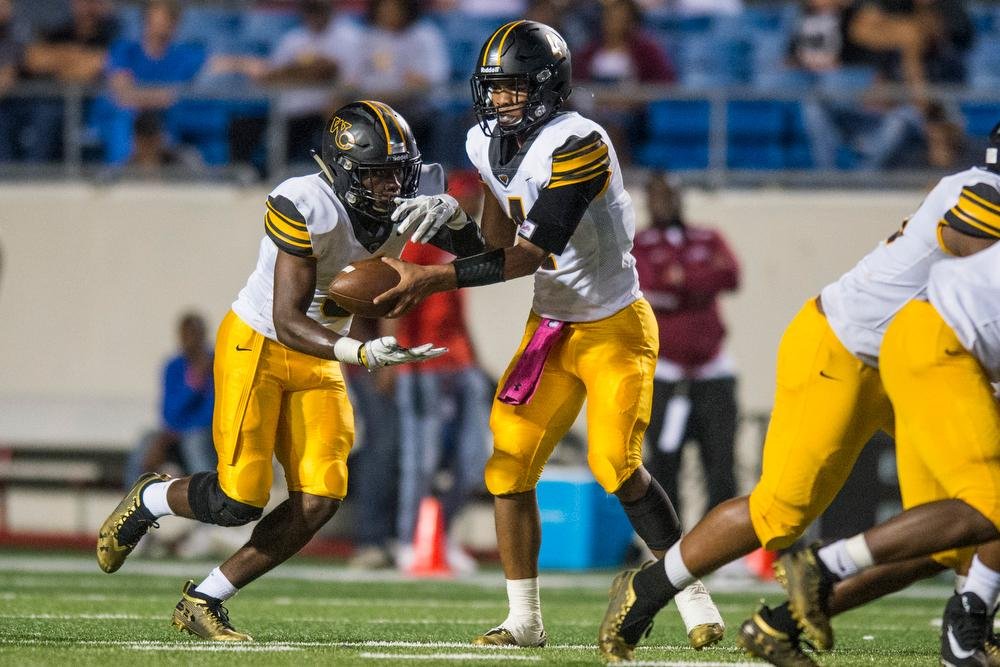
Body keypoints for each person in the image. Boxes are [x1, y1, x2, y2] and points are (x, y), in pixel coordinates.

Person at [375, 20, 724, 651]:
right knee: (507, 467)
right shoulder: (484, 142)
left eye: (511, 88)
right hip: (551, 328)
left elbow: (531, 254)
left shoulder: (580, 142)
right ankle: (524, 621)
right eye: (493, 89)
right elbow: (496, 244)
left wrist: (428, 279)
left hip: (614, 325)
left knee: (616, 463)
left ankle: (690, 590)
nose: (499, 101)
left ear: (545, 86)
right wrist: (452, 222)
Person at [595, 123, 1000, 663]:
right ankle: (647, 588)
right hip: (843, 346)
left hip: (909, 361)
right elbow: (963, 232)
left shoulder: (970, 185)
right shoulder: (974, 193)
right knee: (781, 512)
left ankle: (782, 624)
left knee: (949, 531)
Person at [95, 100, 482, 641]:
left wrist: (460, 222)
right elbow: (288, 316)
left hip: (322, 350)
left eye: (400, 170)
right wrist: (361, 354)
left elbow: (485, 255)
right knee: (238, 502)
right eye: (377, 174)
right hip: (262, 341)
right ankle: (153, 497)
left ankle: (206, 598)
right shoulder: (306, 203)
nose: (393, 185)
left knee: (321, 496)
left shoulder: (413, 193)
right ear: (344, 171)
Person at [776, 239, 1000, 666]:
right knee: (988, 502)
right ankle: (825, 563)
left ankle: (967, 629)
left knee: (975, 512)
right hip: (935, 342)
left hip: (936, 337)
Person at [393, 171, 492, 573]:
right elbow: (396, 296)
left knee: (472, 461)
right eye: (470, 202)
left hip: (459, 361)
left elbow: (457, 311)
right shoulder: (423, 238)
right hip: (421, 362)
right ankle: (406, 540)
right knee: (422, 460)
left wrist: (477, 361)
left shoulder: (462, 245)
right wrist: (397, 355)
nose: (475, 210)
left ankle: (442, 535)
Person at [632, 173, 740, 524]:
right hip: (666, 373)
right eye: (657, 196)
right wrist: (699, 281)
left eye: (671, 195)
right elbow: (650, 289)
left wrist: (683, 281)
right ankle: (671, 543)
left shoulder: (707, 236)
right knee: (664, 462)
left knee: (721, 462)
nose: (665, 203)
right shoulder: (640, 244)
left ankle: (719, 542)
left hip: (713, 370)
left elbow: (732, 276)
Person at [96, 0, 207, 165]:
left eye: (169, 19)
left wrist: (142, 96)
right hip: (128, 118)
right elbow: (122, 93)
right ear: (146, 19)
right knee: (123, 118)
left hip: (165, 122)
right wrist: (159, 97)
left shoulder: (184, 55)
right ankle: (120, 173)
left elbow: (175, 97)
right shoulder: (125, 50)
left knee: (174, 124)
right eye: (158, 17)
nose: (163, 24)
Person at [124, 311, 216, 490]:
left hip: (203, 433)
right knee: (147, 440)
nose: (190, 340)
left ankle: (209, 500)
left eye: (195, 334)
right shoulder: (173, 366)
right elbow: (168, 412)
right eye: (186, 334)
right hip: (175, 433)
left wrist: (180, 430)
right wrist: (193, 385)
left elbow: (212, 412)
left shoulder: (216, 364)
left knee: (195, 442)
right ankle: (132, 501)